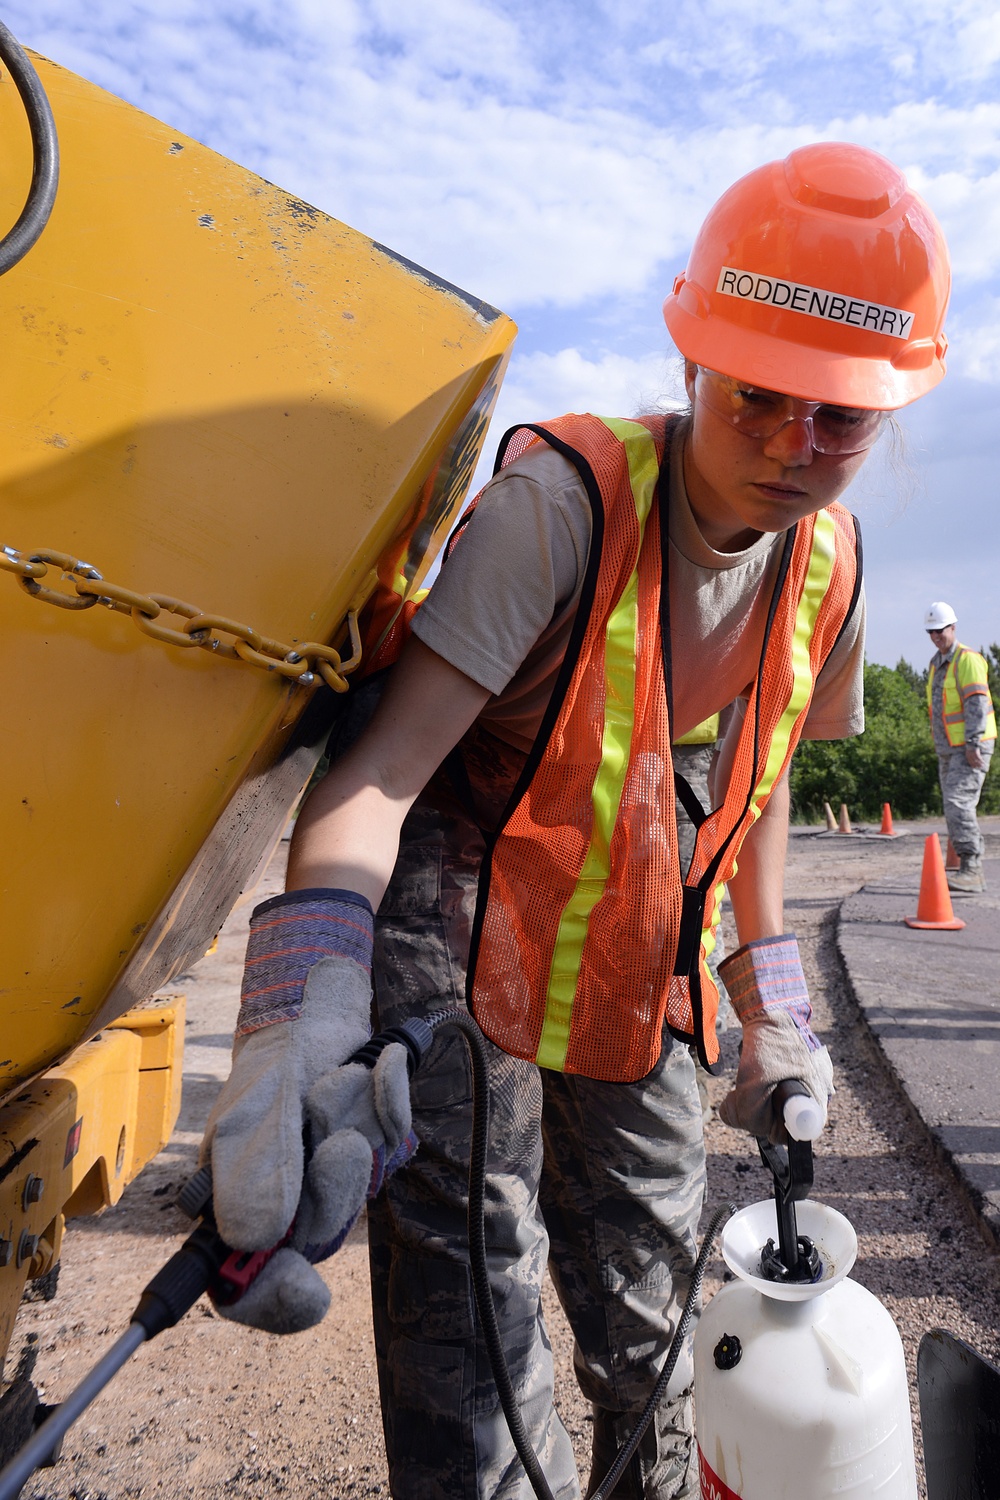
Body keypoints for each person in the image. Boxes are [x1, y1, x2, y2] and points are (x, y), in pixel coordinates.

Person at [201, 142, 951, 1500]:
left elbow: (758, 787)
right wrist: (295, 1006)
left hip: (628, 906)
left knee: (656, 1294)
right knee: (472, 1305)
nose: (795, 446)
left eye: (838, 419)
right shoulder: (561, 505)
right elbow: (381, 774)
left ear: (890, 409)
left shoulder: (831, 570)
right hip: (458, 875)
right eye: (761, 397)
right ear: (692, 362)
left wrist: (769, 994)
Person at [924, 602, 996, 892]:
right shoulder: (935, 663)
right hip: (948, 749)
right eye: (931, 631)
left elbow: (976, 704)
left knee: (958, 803)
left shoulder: (967, 659)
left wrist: (973, 743)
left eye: (940, 630)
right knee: (953, 806)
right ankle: (968, 867)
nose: (936, 636)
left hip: (970, 746)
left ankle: (972, 870)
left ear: (953, 627)